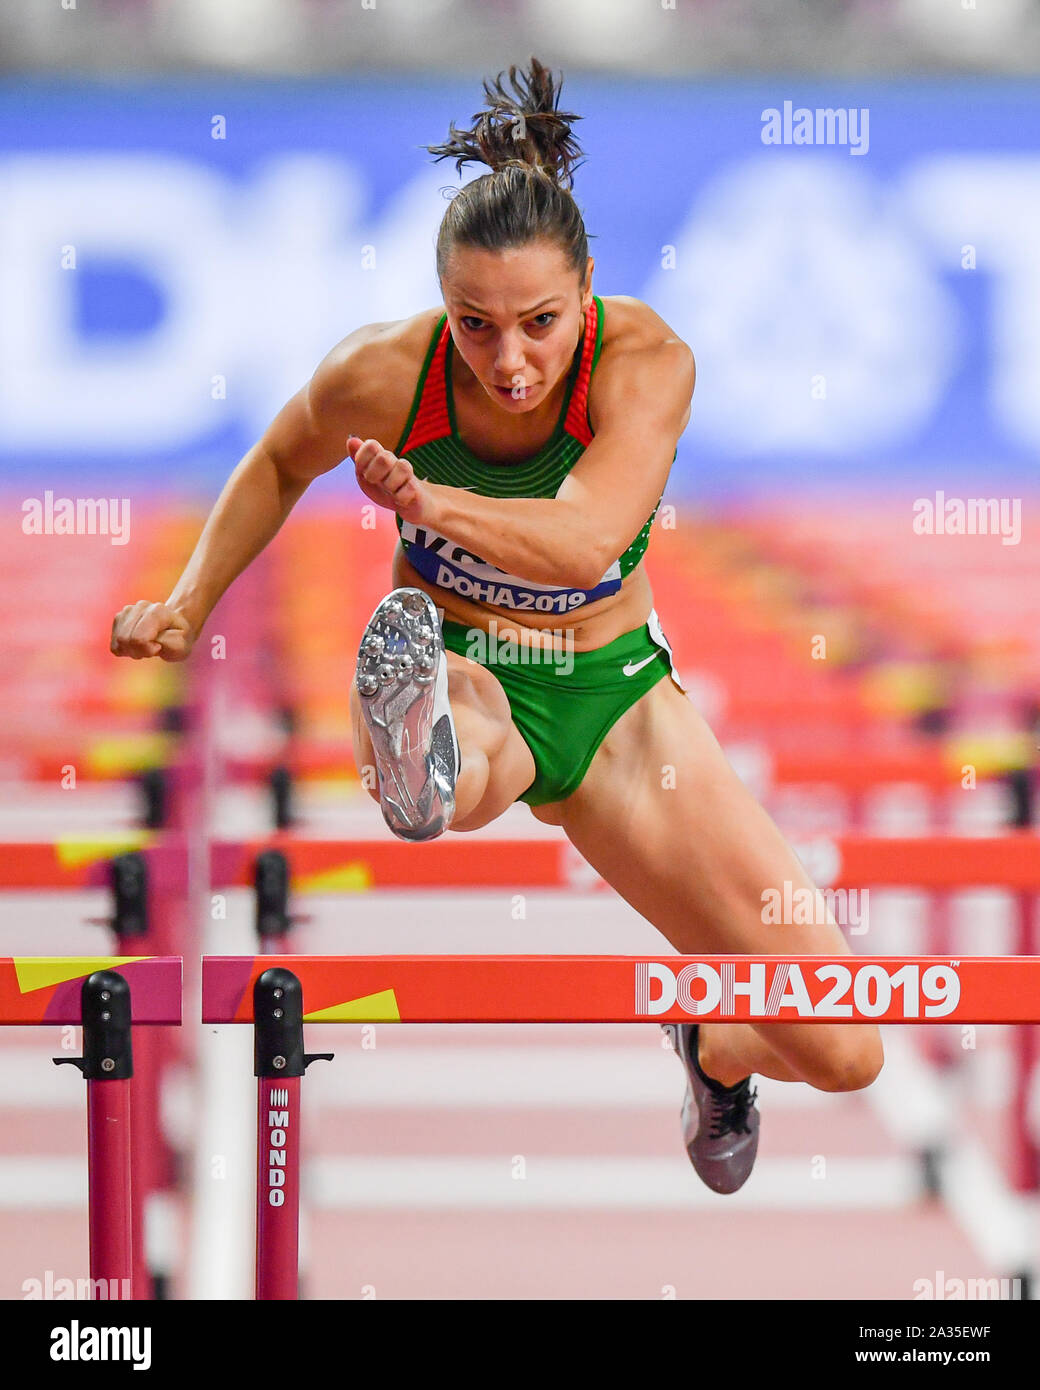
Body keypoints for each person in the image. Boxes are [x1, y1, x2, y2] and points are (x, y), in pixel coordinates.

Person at [110, 58, 884, 1194]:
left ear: (587, 291)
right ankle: (418, 751)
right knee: (460, 774)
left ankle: (711, 1045)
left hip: (618, 703)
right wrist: (188, 603)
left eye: (537, 323)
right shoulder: (387, 372)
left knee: (845, 1048)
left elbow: (579, 542)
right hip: (472, 665)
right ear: (439, 305)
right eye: (473, 325)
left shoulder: (646, 363)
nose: (508, 360)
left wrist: (426, 501)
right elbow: (280, 459)